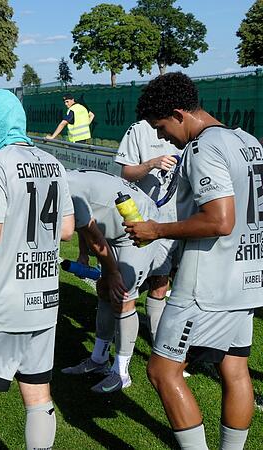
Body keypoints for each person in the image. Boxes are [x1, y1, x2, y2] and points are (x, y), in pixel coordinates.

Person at [127, 72, 263, 450]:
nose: (161, 136)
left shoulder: (204, 148)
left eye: (162, 126)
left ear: (178, 113)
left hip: (208, 281)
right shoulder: (247, 140)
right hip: (248, 274)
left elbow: (220, 220)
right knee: (234, 367)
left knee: (162, 370)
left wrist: (157, 230)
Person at [0, 89, 74, 450]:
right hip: (45, 296)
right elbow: (66, 229)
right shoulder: (52, 162)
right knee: (37, 392)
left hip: (3, 298)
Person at [61, 169, 169, 394]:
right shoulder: (65, 182)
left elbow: (94, 235)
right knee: (103, 290)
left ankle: (122, 373)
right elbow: (84, 224)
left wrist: (113, 272)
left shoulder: (66, 189)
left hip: (138, 222)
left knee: (123, 294)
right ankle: (99, 359)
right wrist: (83, 254)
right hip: (114, 228)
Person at [114, 119, 182, 343]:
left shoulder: (186, 128)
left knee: (161, 283)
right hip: (142, 223)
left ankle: (159, 345)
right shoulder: (139, 129)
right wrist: (151, 163)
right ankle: (113, 355)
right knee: (125, 289)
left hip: (173, 223)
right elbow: (126, 173)